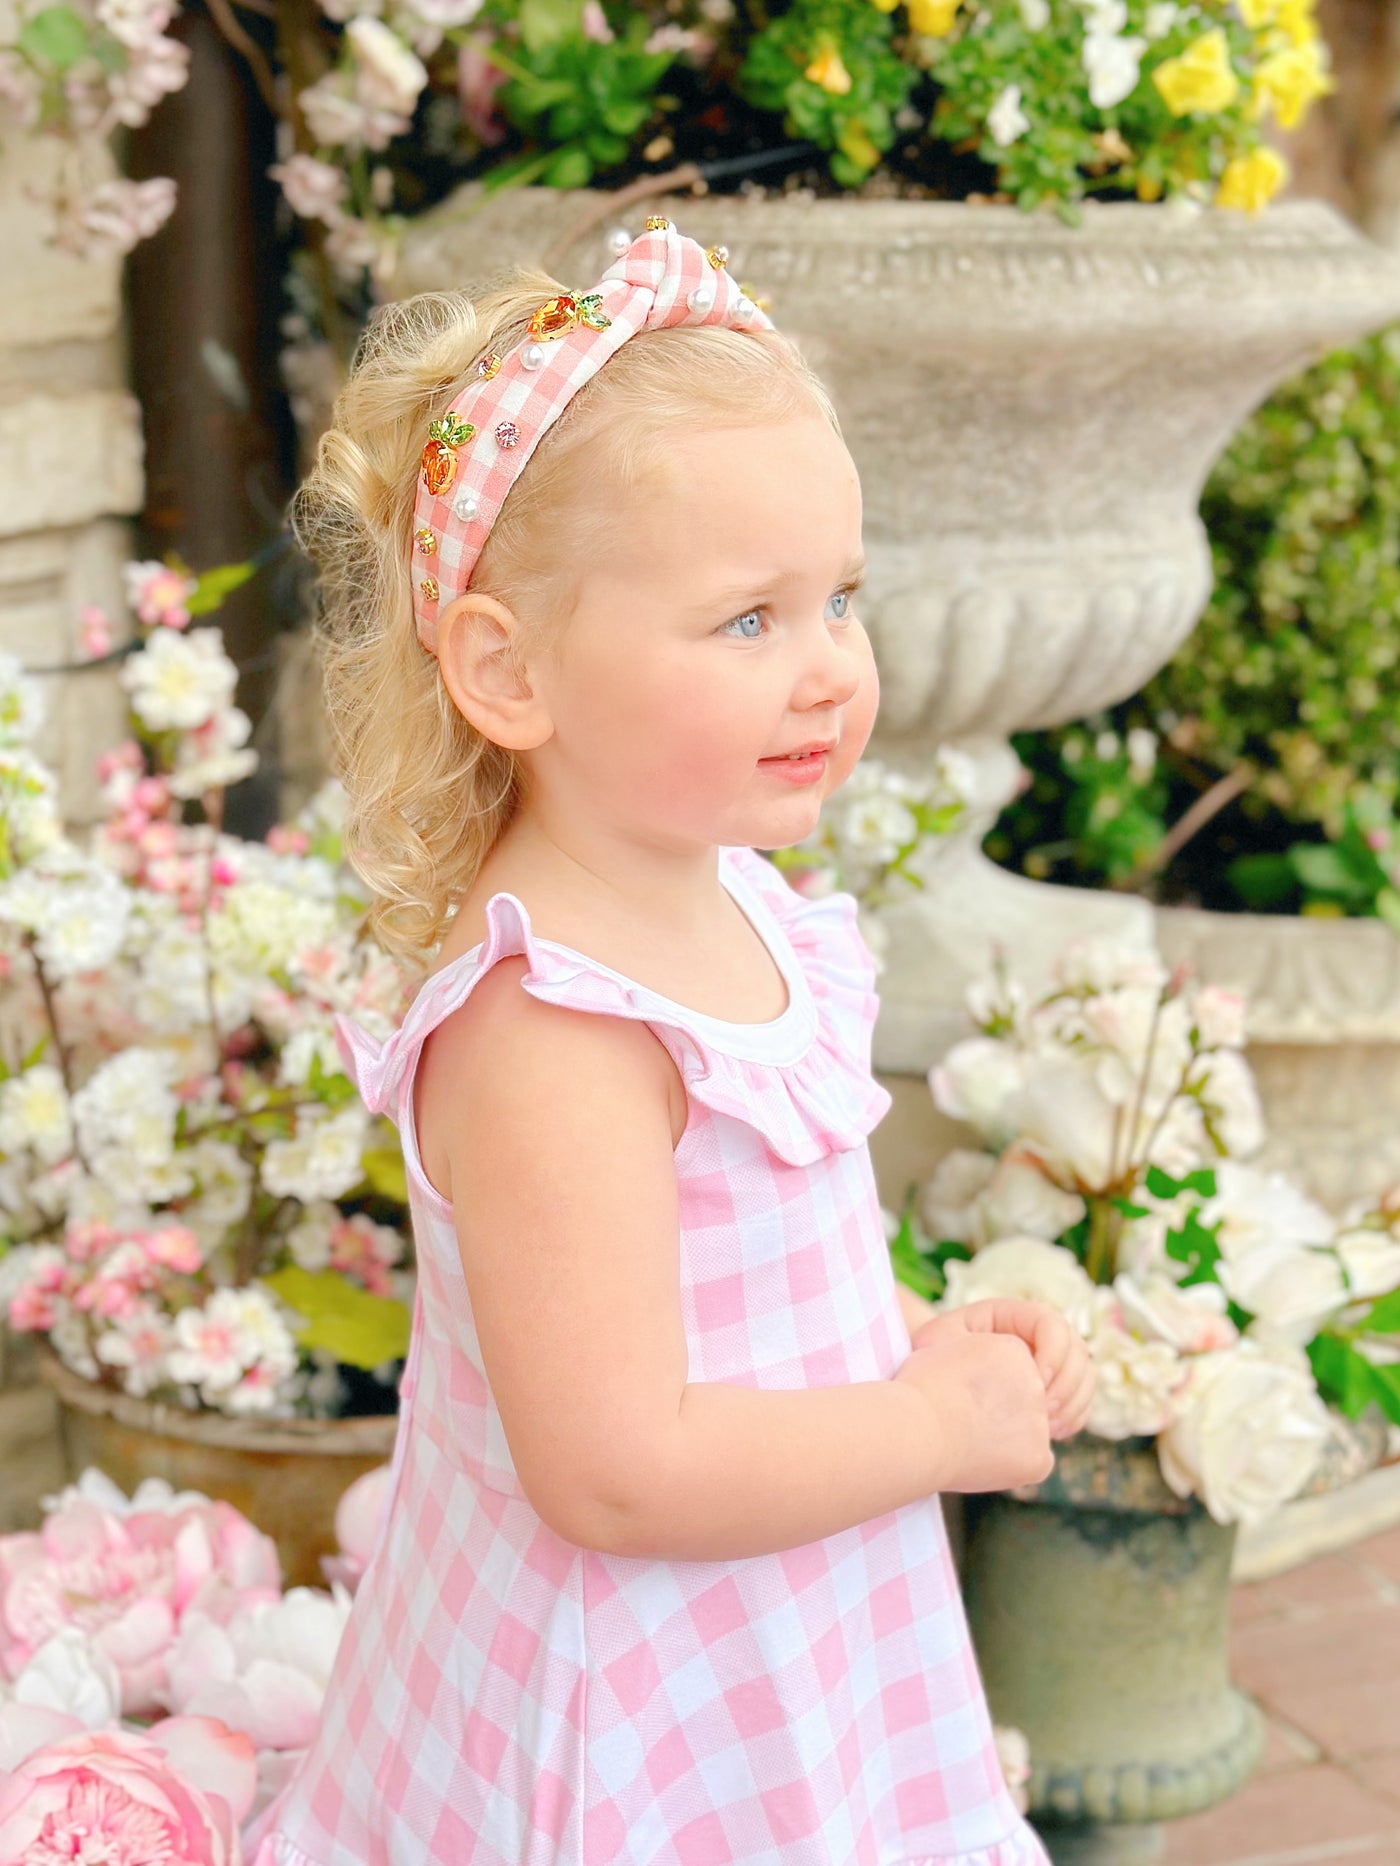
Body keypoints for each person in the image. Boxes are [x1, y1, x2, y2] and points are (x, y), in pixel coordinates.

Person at [246, 217, 1094, 1866]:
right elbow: (619, 1466)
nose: (831, 671)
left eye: (839, 596)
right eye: (746, 621)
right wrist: (927, 1433)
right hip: (630, 1701)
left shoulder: (747, 907)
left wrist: (911, 1342)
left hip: (787, 1631)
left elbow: (756, 1283)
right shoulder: (552, 1027)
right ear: (508, 669)